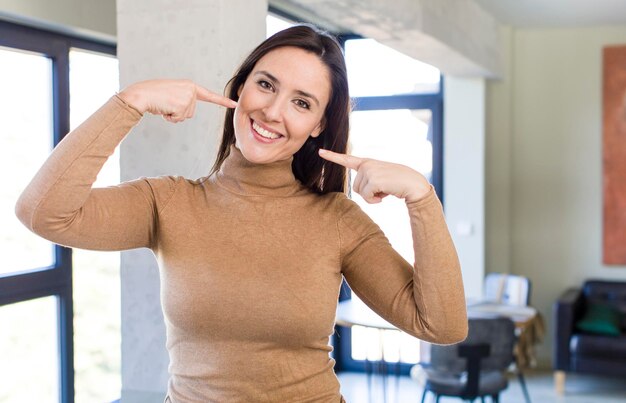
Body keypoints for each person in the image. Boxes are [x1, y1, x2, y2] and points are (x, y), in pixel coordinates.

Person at [15, 24, 467, 402]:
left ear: (319, 126)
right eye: (266, 84)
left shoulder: (338, 220)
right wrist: (129, 102)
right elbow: (43, 213)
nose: (272, 111)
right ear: (241, 87)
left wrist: (422, 199)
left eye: (302, 102)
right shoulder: (169, 203)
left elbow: (441, 325)